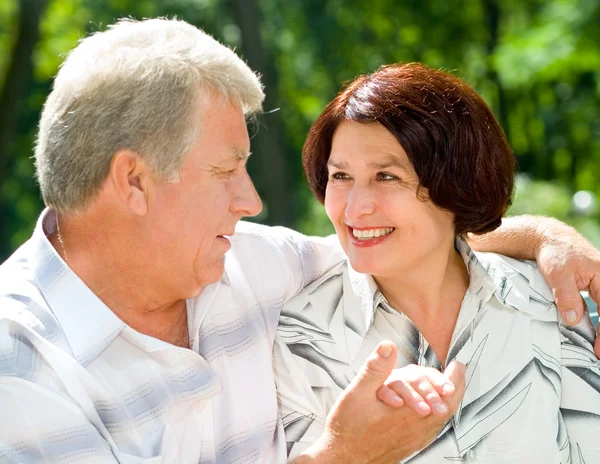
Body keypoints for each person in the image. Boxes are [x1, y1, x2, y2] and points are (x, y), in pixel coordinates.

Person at [0, 17, 598, 464]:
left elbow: (409, 242)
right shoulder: (19, 369)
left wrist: (548, 240)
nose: (250, 201)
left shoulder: (248, 262)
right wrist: (340, 456)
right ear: (134, 180)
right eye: (225, 169)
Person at [274, 63, 600, 463]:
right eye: (340, 176)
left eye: (387, 176)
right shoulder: (299, 340)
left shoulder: (549, 301)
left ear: (455, 182)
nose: (355, 209)